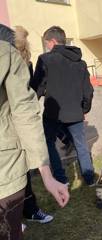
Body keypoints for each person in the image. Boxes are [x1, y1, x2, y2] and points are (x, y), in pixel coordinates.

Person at [0, 23, 69, 240]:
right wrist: (47, 176)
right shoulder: (10, 54)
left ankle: (30, 211)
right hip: (7, 171)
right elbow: (25, 109)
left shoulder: (32, 60)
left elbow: (29, 96)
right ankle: (30, 211)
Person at [30, 26, 95, 186]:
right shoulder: (80, 63)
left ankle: (61, 179)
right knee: (81, 145)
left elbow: (37, 87)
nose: (46, 47)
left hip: (53, 114)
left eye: (46, 44)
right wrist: (84, 109)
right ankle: (89, 179)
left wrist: (31, 105)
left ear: (52, 41)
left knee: (49, 143)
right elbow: (88, 90)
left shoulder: (45, 59)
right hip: (75, 114)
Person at [14, 25, 54, 224]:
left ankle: (28, 210)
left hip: (19, 126)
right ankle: (11, 216)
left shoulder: (26, 64)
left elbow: (27, 95)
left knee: (23, 171)